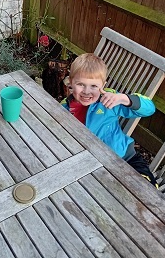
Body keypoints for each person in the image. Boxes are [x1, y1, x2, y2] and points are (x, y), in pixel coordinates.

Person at [61, 53, 158, 186]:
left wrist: (124, 99)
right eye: (80, 84)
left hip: (126, 159)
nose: (87, 91)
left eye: (94, 86)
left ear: (103, 85)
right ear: (71, 82)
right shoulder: (64, 107)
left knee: (148, 191)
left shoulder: (109, 100)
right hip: (93, 166)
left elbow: (150, 109)